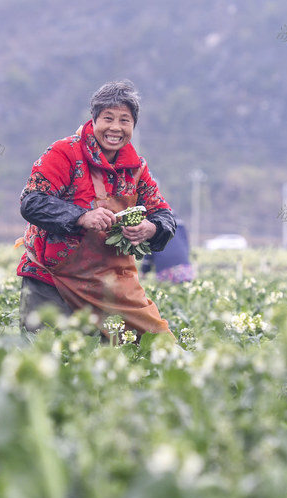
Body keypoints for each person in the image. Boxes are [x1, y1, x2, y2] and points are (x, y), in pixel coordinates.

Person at [15, 80, 177, 337]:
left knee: (155, 345)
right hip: (51, 281)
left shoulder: (136, 168)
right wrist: (81, 217)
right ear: (94, 119)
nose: (115, 127)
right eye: (108, 118)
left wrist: (152, 227)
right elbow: (32, 201)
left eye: (124, 120)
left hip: (111, 286)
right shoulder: (64, 153)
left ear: (133, 125)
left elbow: (163, 213)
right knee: (47, 354)